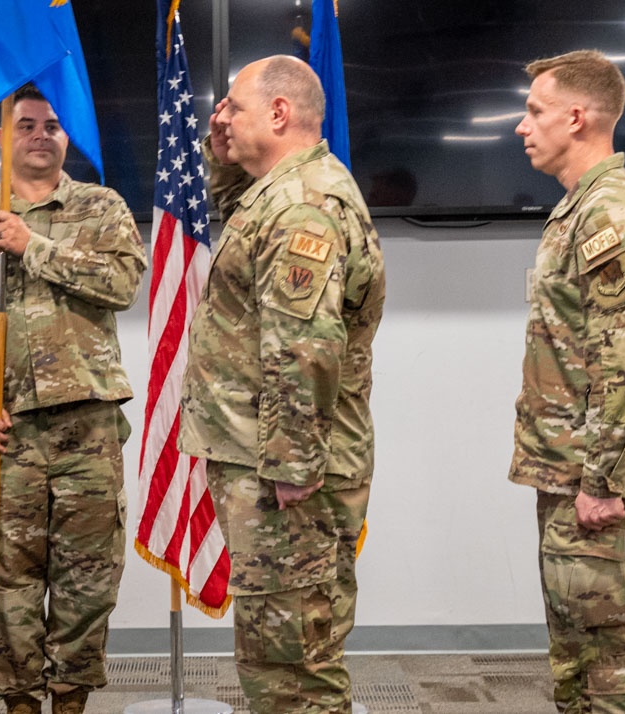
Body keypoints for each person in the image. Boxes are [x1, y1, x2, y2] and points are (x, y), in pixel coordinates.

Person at [178, 55, 385, 714]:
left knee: (295, 664)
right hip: (264, 459)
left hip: (283, 473)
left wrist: (292, 464)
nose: (220, 116)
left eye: (232, 107)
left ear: (279, 113)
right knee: (279, 651)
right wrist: (220, 155)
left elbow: (304, 347)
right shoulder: (281, 190)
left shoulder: (304, 205)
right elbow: (241, 230)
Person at [0, 84, 147, 714]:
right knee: (8, 588)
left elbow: (123, 282)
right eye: (25, 124)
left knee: (88, 584)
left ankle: (71, 701)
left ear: (66, 135)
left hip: (87, 430)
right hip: (4, 437)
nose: (40, 134)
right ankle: (20, 703)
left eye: (52, 124)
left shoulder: (102, 208)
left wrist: (35, 247)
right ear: (3, 137)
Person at [509, 50, 625, 713]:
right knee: (581, 660)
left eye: (535, 111)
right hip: (574, 472)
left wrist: (600, 480)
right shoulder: (584, 208)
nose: (522, 126)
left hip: (600, 480)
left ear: (577, 117)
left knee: (608, 667)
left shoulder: (611, 214)